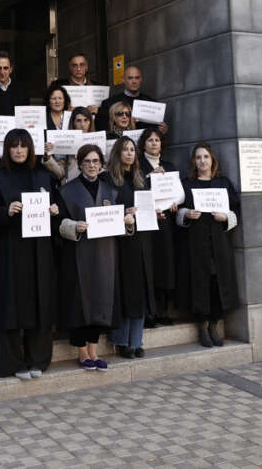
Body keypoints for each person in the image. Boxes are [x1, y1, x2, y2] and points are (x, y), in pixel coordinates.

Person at [0, 129, 60, 380]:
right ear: (7, 149)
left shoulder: (43, 175)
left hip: (40, 248)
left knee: (41, 301)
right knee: (12, 303)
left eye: (23, 146)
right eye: (13, 146)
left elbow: (57, 206)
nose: (18, 150)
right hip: (12, 247)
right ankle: (13, 362)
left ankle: (38, 359)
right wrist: (7, 211)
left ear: (29, 149)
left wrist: (55, 208)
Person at [56, 144, 124, 372]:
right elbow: (59, 223)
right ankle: (82, 350)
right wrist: (75, 226)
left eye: (96, 161)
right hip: (78, 254)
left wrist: (127, 221)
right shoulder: (67, 190)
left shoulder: (110, 190)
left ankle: (94, 349)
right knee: (80, 302)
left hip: (105, 254)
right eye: (87, 161)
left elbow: (116, 221)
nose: (92, 165)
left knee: (100, 299)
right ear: (80, 163)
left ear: (101, 164)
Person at [175, 142, 241, 348]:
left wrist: (225, 217)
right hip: (196, 244)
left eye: (205, 157)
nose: (202, 161)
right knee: (200, 282)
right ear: (194, 161)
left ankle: (214, 324)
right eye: (198, 157)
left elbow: (236, 212)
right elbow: (176, 209)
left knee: (216, 282)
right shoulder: (187, 184)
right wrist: (186, 213)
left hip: (219, 244)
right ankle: (202, 325)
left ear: (212, 159)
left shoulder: (223, 182)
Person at [106, 138, 154, 359]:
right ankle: (121, 340)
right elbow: (103, 211)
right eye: (124, 150)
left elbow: (149, 206)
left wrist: (156, 212)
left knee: (139, 290)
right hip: (119, 241)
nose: (129, 153)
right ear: (117, 153)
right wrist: (123, 213)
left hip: (141, 240)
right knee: (124, 290)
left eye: (132, 150)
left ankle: (137, 340)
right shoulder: (108, 180)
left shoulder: (141, 178)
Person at [138, 128, 179, 327]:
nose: (154, 143)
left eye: (157, 140)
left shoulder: (169, 165)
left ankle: (163, 311)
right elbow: (136, 190)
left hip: (166, 223)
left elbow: (177, 193)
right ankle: (149, 313)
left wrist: (175, 204)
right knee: (150, 266)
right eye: (150, 140)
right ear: (143, 144)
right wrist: (149, 176)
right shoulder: (138, 166)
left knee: (166, 266)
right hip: (147, 223)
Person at [96, 65, 168, 134]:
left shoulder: (152, 103)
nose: (134, 81)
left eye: (137, 78)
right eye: (130, 78)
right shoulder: (110, 103)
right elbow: (103, 129)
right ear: (123, 80)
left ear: (141, 79)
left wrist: (161, 131)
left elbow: (157, 131)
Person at [44, 107, 97, 184]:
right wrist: (48, 157)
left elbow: (104, 169)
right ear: (73, 123)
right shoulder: (65, 140)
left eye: (86, 120)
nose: (82, 124)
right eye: (79, 121)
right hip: (72, 186)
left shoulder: (98, 140)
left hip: (94, 185)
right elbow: (60, 174)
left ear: (90, 122)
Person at [0, 51, 29, 117]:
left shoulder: (21, 88)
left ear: (11, 69)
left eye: (5, 68)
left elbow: (25, 113)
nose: (2, 72)